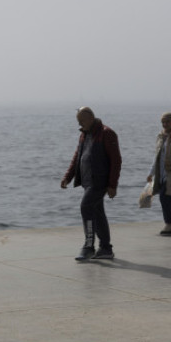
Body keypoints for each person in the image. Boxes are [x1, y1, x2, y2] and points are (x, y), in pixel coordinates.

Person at [61, 107, 122, 261]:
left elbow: (116, 161)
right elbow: (77, 156)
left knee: (86, 207)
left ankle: (89, 246)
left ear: (91, 118)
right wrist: (68, 177)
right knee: (97, 212)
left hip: (99, 181)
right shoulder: (84, 134)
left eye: (81, 121)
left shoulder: (107, 133)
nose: (79, 124)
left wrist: (112, 185)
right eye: (78, 121)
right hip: (87, 181)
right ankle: (105, 248)